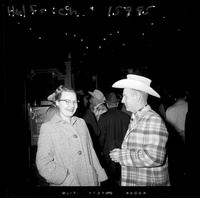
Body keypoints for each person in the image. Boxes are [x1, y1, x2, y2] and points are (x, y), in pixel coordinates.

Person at [36, 85, 107, 186]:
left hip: (91, 181)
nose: (72, 105)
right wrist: (66, 178)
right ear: (57, 103)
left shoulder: (81, 123)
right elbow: (43, 164)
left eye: (74, 101)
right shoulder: (48, 128)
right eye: (67, 101)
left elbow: (91, 152)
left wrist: (98, 176)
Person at [109, 74, 170, 186]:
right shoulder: (138, 117)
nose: (122, 100)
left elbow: (154, 158)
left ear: (137, 96)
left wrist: (121, 156)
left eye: (125, 96)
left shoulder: (152, 119)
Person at [98, 91, 130, 186]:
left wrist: (100, 149)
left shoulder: (103, 117)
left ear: (107, 104)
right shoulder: (126, 117)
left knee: (111, 178)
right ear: (117, 103)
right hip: (123, 151)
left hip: (109, 151)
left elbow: (101, 136)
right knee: (122, 176)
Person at [83, 89, 107, 164]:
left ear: (96, 99)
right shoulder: (95, 108)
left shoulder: (101, 109)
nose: (90, 98)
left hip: (99, 140)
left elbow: (100, 128)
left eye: (92, 97)